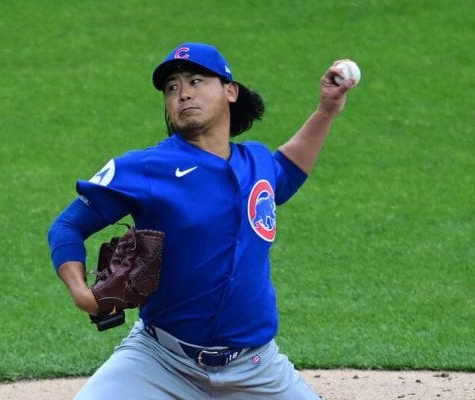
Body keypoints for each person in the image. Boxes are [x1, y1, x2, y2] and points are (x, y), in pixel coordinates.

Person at [47, 42, 357, 399]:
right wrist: (81, 293)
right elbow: (67, 226)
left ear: (230, 91)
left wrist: (326, 110)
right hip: (160, 361)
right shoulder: (146, 168)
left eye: (196, 81)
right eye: (172, 88)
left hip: (257, 368)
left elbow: (284, 175)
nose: (183, 94)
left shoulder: (256, 162)